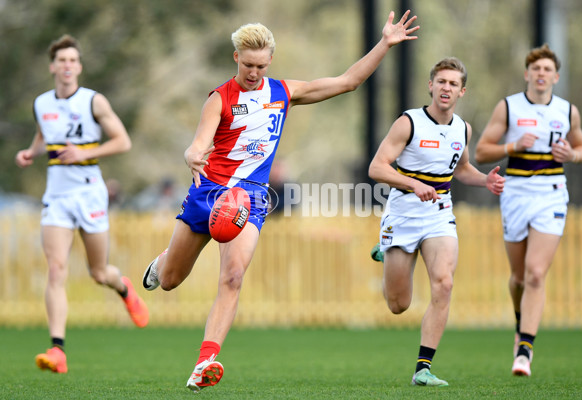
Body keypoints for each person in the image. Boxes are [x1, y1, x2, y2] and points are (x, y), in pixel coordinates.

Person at [141, 10, 420, 391]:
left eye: (261, 65)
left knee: (233, 276)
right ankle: (162, 262)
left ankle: (204, 361)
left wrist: (385, 42)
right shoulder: (219, 99)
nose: (254, 72)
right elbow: (198, 145)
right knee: (171, 280)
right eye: (248, 64)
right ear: (236, 58)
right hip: (207, 193)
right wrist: (192, 154)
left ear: (270, 59)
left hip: (250, 198)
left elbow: (348, 82)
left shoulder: (284, 92)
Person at [14, 34, 149, 374]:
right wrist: (32, 151)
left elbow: (123, 141)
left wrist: (85, 152)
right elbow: (46, 134)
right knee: (56, 269)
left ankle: (123, 287)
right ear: (52, 67)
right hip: (56, 195)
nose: (67, 66)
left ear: (79, 66)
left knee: (98, 272)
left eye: (73, 60)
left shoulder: (94, 102)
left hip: (89, 193)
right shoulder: (41, 103)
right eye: (62, 61)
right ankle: (57, 349)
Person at [368, 57, 505, 386]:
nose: (446, 88)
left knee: (443, 283)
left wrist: (484, 180)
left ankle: (422, 369)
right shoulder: (409, 123)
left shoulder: (463, 128)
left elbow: (462, 169)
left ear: (462, 91)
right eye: (441, 81)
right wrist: (413, 184)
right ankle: (387, 250)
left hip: (440, 215)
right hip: (402, 212)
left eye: (453, 84)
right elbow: (377, 168)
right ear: (430, 85)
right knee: (398, 305)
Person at [475, 44, 582, 377]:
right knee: (519, 277)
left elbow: (581, 146)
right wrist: (512, 146)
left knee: (537, 273)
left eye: (547, 70)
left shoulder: (568, 111)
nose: (541, 75)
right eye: (535, 69)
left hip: (551, 194)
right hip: (516, 193)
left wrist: (573, 155)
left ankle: (524, 349)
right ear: (527, 74)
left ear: (555, 76)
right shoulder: (509, 108)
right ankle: (520, 319)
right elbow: (481, 152)